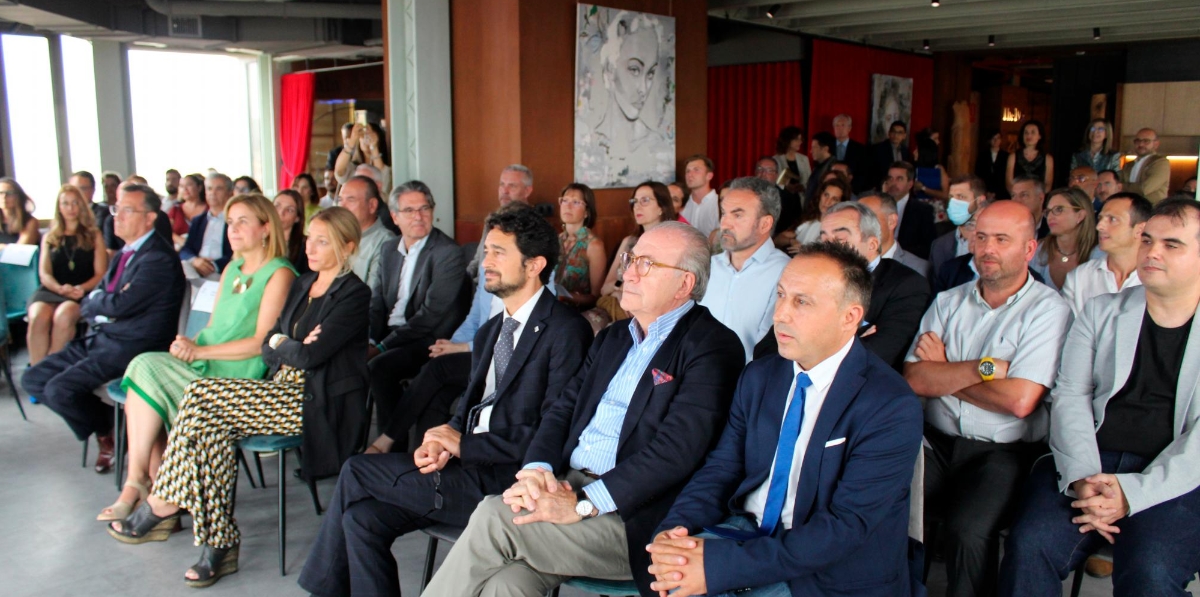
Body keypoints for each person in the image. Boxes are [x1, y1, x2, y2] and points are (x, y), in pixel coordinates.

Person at [421, 221, 745, 597]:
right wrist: (537, 470)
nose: (629, 271)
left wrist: (581, 506)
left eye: (647, 264)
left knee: (495, 517)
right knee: (508, 583)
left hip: (632, 518)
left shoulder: (713, 346)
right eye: (631, 259)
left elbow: (676, 453)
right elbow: (562, 411)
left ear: (684, 285)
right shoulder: (612, 339)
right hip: (567, 485)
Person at [298, 205, 593, 597]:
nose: (485, 261)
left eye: (498, 253)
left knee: (356, 470)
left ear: (535, 264)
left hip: (508, 481)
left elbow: (555, 433)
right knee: (361, 518)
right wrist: (444, 439)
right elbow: (471, 408)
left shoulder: (566, 331)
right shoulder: (491, 330)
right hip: (465, 468)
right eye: (486, 251)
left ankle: (320, 591)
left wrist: (466, 444)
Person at [107, 207, 371, 588]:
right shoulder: (304, 283)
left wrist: (287, 343)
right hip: (280, 390)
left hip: (313, 404)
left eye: (322, 241)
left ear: (347, 247)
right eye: (309, 238)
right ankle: (216, 541)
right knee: (208, 419)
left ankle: (174, 510)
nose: (310, 248)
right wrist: (287, 342)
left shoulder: (354, 294)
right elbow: (269, 346)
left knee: (201, 400)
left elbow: (308, 356)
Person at [649, 242, 924, 597]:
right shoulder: (761, 376)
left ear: (850, 317)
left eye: (802, 302)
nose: (780, 313)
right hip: (748, 530)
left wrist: (719, 567)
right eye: (780, 295)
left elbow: (844, 528)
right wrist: (675, 529)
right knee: (669, 576)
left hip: (829, 571)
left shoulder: (889, 405)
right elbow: (721, 468)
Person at [999, 198, 1200, 596]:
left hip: (1174, 472)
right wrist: (1082, 477)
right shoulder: (1102, 310)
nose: (1152, 252)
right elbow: (1070, 394)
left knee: (1151, 572)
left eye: (1171, 244)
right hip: (1090, 459)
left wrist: (1132, 493)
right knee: (1029, 545)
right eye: (1147, 240)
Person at [904, 201, 1072, 597]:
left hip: (1002, 452)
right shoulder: (948, 301)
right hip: (936, 443)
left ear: (1029, 250)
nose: (987, 249)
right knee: (899, 515)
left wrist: (945, 370)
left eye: (1001, 239)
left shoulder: (1048, 310)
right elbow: (914, 378)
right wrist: (983, 368)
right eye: (981, 237)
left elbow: (1019, 401)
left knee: (968, 532)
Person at [100, 194, 296, 520]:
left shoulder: (279, 273)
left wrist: (199, 351)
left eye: (243, 221)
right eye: (230, 222)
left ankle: (145, 486)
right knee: (142, 368)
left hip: (237, 375)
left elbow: (262, 343)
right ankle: (147, 483)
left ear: (265, 228)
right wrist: (187, 343)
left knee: (145, 369)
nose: (233, 229)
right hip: (206, 361)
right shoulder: (233, 267)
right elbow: (214, 327)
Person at [22, 184, 186, 474]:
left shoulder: (157, 258)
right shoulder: (126, 252)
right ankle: (112, 424)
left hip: (131, 348)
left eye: (126, 210)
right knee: (34, 379)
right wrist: (102, 305)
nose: (116, 217)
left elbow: (119, 305)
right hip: (102, 338)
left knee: (60, 390)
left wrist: (102, 304)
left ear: (149, 218)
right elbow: (94, 300)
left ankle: (109, 434)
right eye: (115, 209)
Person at [367, 181, 470, 435]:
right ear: (394, 216)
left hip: (427, 338)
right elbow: (377, 303)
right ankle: (343, 448)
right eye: (409, 210)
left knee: (380, 366)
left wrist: (380, 347)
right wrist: (369, 339)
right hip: (392, 334)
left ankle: (391, 448)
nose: (418, 216)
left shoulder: (447, 253)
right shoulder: (389, 248)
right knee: (343, 359)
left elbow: (430, 316)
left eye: (424, 208)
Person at [701, 177, 790, 362]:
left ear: (765, 224)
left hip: (750, 383)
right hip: (701, 377)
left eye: (737, 215)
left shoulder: (786, 272)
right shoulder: (709, 266)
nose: (725, 223)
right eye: (724, 213)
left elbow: (770, 350)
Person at [26, 185, 107, 365]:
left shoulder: (94, 235)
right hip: (51, 289)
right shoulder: (50, 236)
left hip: (81, 291)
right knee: (38, 316)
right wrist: (59, 288)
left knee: (63, 315)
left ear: (81, 206)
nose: (70, 208)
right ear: (59, 207)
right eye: (65, 203)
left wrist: (80, 288)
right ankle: (36, 370)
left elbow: (100, 273)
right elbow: (44, 272)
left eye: (75, 203)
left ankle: (51, 369)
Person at [590, 181, 676, 328]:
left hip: (650, 315)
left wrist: (623, 289)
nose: (637, 206)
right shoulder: (629, 241)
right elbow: (605, 288)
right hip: (613, 307)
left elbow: (662, 290)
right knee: (580, 327)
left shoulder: (672, 243)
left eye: (645, 200)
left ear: (662, 207)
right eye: (634, 201)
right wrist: (619, 289)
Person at [1061, 192, 1151, 316]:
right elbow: (1069, 330)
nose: (1099, 226)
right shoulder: (1079, 277)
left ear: (1139, 229)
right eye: (1100, 218)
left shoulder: (1158, 278)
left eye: (1113, 219)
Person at [1030, 187, 1100, 291]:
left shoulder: (1099, 254)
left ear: (1080, 215)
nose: (1050, 216)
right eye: (1048, 211)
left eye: (1059, 209)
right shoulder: (1039, 250)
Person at [340, 175, 396, 294]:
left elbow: (373, 296)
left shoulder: (386, 242)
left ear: (372, 205)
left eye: (350, 200)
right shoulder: (338, 235)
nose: (342, 207)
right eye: (340, 200)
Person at [556, 183, 607, 309]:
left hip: (577, 312)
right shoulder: (556, 240)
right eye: (565, 201)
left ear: (587, 212)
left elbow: (597, 296)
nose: (568, 206)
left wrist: (567, 296)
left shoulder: (594, 245)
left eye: (576, 202)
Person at [859, 190, 932, 278]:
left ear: (891, 221)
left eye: (867, 218)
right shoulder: (846, 264)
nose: (859, 225)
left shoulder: (918, 268)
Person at [179, 173, 235, 278]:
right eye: (209, 189)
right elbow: (186, 249)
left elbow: (236, 252)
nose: (212, 193)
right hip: (195, 267)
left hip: (221, 270)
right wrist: (195, 261)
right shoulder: (198, 220)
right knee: (183, 266)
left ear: (229, 193)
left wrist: (212, 266)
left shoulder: (234, 220)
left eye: (218, 189)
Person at [930, 175, 988, 277]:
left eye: (961, 197)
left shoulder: (994, 243)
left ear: (980, 201)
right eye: (951, 197)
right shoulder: (939, 245)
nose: (954, 203)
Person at [884, 161, 938, 260]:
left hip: (907, 262)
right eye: (890, 178)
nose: (893, 183)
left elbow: (927, 247)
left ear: (910, 184)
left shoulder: (923, 210)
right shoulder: (879, 207)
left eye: (899, 179)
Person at [791, 174, 850, 249]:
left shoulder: (838, 233)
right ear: (820, 195)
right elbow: (779, 239)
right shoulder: (809, 220)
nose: (827, 202)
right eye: (826, 195)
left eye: (834, 199)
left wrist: (805, 251)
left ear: (841, 204)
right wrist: (791, 241)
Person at [335, 121, 392, 195]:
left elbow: (382, 178)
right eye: (364, 135)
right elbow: (339, 171)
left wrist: (373, 147)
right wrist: (352, 140)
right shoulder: (353, 168)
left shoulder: (386, 168)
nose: (366, 138)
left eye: (370, 135)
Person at [1121, 127, 1170, 203]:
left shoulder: (1161, 163)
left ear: (1156, 144)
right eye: (1137, 141)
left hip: (1151, 209)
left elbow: (1145, 188)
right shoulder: (1129, 165)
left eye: (1146, 141)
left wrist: (1121, 187)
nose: (1141, 144)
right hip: (1129, 208)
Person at [1006, 120, 1054, 193]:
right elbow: (1009, 183)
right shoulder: (1013, 157)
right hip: (1017, 198)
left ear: (1040, 136)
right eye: (1026, 133)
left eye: (1033, 132)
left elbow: (1048, 185)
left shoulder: (1048, 158)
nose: (1029, 136)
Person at [272, 190, 311, 275]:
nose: (281, 213)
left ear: (297, 218)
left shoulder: (306, 246)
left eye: (289, 210)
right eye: (277, 206)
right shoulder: (259, 240)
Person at [681, 155, 720, 237]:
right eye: (687, 171)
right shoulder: (682, 204)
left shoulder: (719, 203)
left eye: (696, 170)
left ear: (709, 176)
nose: (690, 175)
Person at [831, 114, 870, 194]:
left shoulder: (860, 149)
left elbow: (863, 172)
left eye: (843, 125)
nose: (839, 128)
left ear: (849, 128)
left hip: (852, 190)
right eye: (837, 125)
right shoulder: (828, 146)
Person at [871, 121, 914, 191]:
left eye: (900, 133)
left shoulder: (906, 151)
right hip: (883, 187)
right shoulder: (878, 149)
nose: (896, 135)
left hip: (901, 187)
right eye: (893, 132)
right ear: (889, 133)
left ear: (904, 136)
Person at [168, 173, 207, 247]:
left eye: (189, 185)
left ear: (199, 187)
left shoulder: (209, 209)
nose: (185, 189)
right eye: (182, 186)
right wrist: (180, 240)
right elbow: (166, 230)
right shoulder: (175, 210)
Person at [0, 178, 40, 249]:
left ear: (18, 196)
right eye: (0, 193)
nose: (4, 197)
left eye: (9, 193)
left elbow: (19, 251)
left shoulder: (30, 222)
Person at [914, 131, 950, 207]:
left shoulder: (939, 169)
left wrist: (923, 188)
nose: (914, 152)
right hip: (916, 208)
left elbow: (945, 195)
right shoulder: (914, 168)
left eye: (917, 150)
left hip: (936, 210)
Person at [772, 125, 811, 190]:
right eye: (796, 139)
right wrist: (787, 186)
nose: (800, 142)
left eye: (801, 139)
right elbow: (774, 180)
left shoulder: (804, 159)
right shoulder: (776, 159)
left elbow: (809, 180)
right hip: (783, 196)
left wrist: (802, 187)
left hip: (800, 197)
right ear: (788, 140)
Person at [975, 130, 1009, 199]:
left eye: (998, 138)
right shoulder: (983, 155)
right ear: (990, 140)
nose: (996, 141)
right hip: (985, 190)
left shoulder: (1006, 156)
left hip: (1001, 191)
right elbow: (978, 173)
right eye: (994, 138)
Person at [806, 132, 836, 202]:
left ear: (825, 149)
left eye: (814, 147)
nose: (811, 151)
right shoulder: (818, 166)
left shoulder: (833, 168)